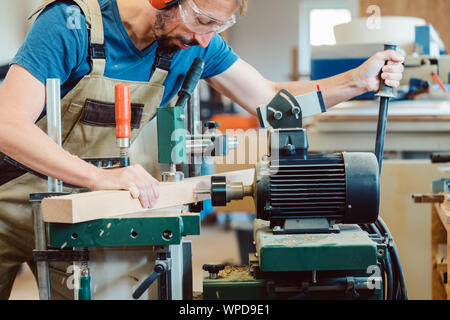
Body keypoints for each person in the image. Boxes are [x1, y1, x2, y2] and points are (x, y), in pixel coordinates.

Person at [0, 0, 404, 299]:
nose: (205, 39)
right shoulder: (71, 24)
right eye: (203, 21)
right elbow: (6, 124)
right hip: (6, 204)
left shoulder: (196, 43)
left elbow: (268, 100)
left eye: (219, 27)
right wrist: (101, 177)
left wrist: (356, 82)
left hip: (75, 215)